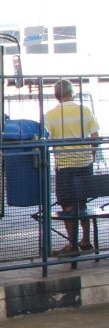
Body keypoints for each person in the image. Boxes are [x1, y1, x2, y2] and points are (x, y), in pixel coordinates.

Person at [44, 79, 100, 255]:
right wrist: (90, 155)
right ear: (72, 93)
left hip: (65, 166)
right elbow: (95, 136)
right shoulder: (84, 110)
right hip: (84, 163)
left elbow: (45, 139)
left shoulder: (50, 115)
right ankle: (86, 240)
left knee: (67, 205)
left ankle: (72, 244)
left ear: (56, 96)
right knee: (82, 203)